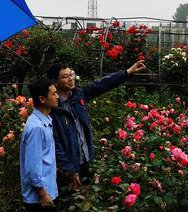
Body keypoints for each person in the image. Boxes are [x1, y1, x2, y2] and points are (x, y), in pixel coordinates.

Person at [47, 60, 146, 188]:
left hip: (85, 161)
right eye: (65, 77)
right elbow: (55, 144)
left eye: (71, 74)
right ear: (55, 82)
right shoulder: (53, 108)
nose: (71, 79)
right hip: (68, 168)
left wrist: (127, 72)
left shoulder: (78, 95)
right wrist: (68, 170)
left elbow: (101, 85)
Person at [19, 79, 60, 212]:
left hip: (46, 194)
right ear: (42, 99)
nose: (57, 96)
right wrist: (43, 193)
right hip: (40, 198)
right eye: (53, 93)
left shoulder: (44, 121)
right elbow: (32, 168)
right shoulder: (36, 127)